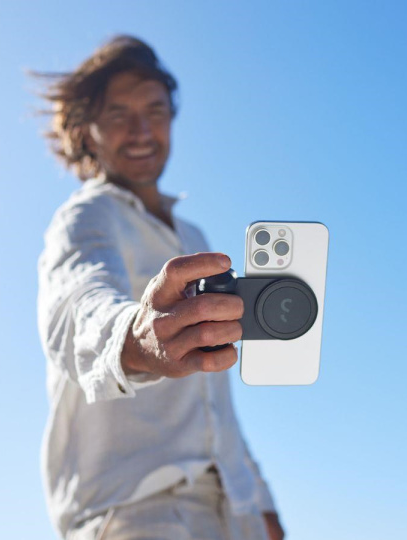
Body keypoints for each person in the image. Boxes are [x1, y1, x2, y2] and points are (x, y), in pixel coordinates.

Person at [30, 34, 286, 540]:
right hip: (137, 509)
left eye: (155, 110)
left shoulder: (194, 238)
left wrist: (263, 505)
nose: (142, 130)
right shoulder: (86, 216)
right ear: (87, 131)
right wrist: (135, 337)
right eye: (119, 114)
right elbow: (77, 303)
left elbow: (216, 404)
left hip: (235, 512)